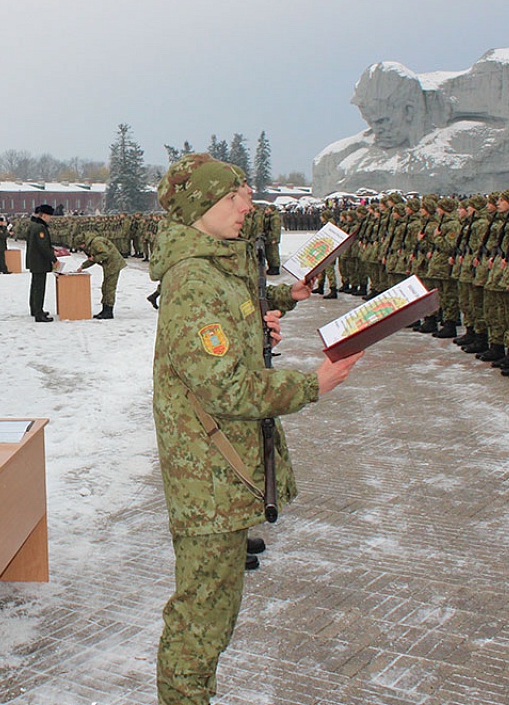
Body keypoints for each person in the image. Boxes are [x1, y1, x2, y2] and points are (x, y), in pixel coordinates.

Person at [148, 155, 362, 705]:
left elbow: (231, 325)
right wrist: (312, 384)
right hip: (209, 476)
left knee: (213, 610)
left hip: (222, 468)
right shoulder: (194, 279)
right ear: (200, 209)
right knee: (202, 618)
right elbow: (225, 389)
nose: (247, 204)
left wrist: (270, 316)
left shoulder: (215, 265)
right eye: (231, 198)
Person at [76, 232, 126, 319]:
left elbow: (105, 254)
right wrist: (83, 266)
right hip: (109, 265)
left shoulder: (96, 242)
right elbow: (93, 258)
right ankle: (105, 310)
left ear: (83, 243)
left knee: (109, 288)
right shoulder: (92, 243)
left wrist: (94, 259)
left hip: (114, 264)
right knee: (105, 287)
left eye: (81, 246)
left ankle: (108, 311)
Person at [25, 204, 58, 322]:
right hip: (39, 261)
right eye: (49, 216)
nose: (50, 218)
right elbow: (43, 247)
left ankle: (35, 308)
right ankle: (39, 313)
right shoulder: (40, 228)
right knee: (39, 287)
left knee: (35, 286)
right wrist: (53, 258)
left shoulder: (33, 225)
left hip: (34, 260)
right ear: (43, 215)